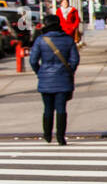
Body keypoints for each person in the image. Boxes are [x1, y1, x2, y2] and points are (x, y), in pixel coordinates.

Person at [29, 13, 78, 146]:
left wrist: (39, 72)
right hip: (63, 78)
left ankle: (47, 135)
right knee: (61, 108)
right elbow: (75, 60)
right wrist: (69, 71)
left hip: (45, 78)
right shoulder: (68, 40)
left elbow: (33, 60)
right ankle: (61, 137)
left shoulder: (40, 40)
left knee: (48, 108)